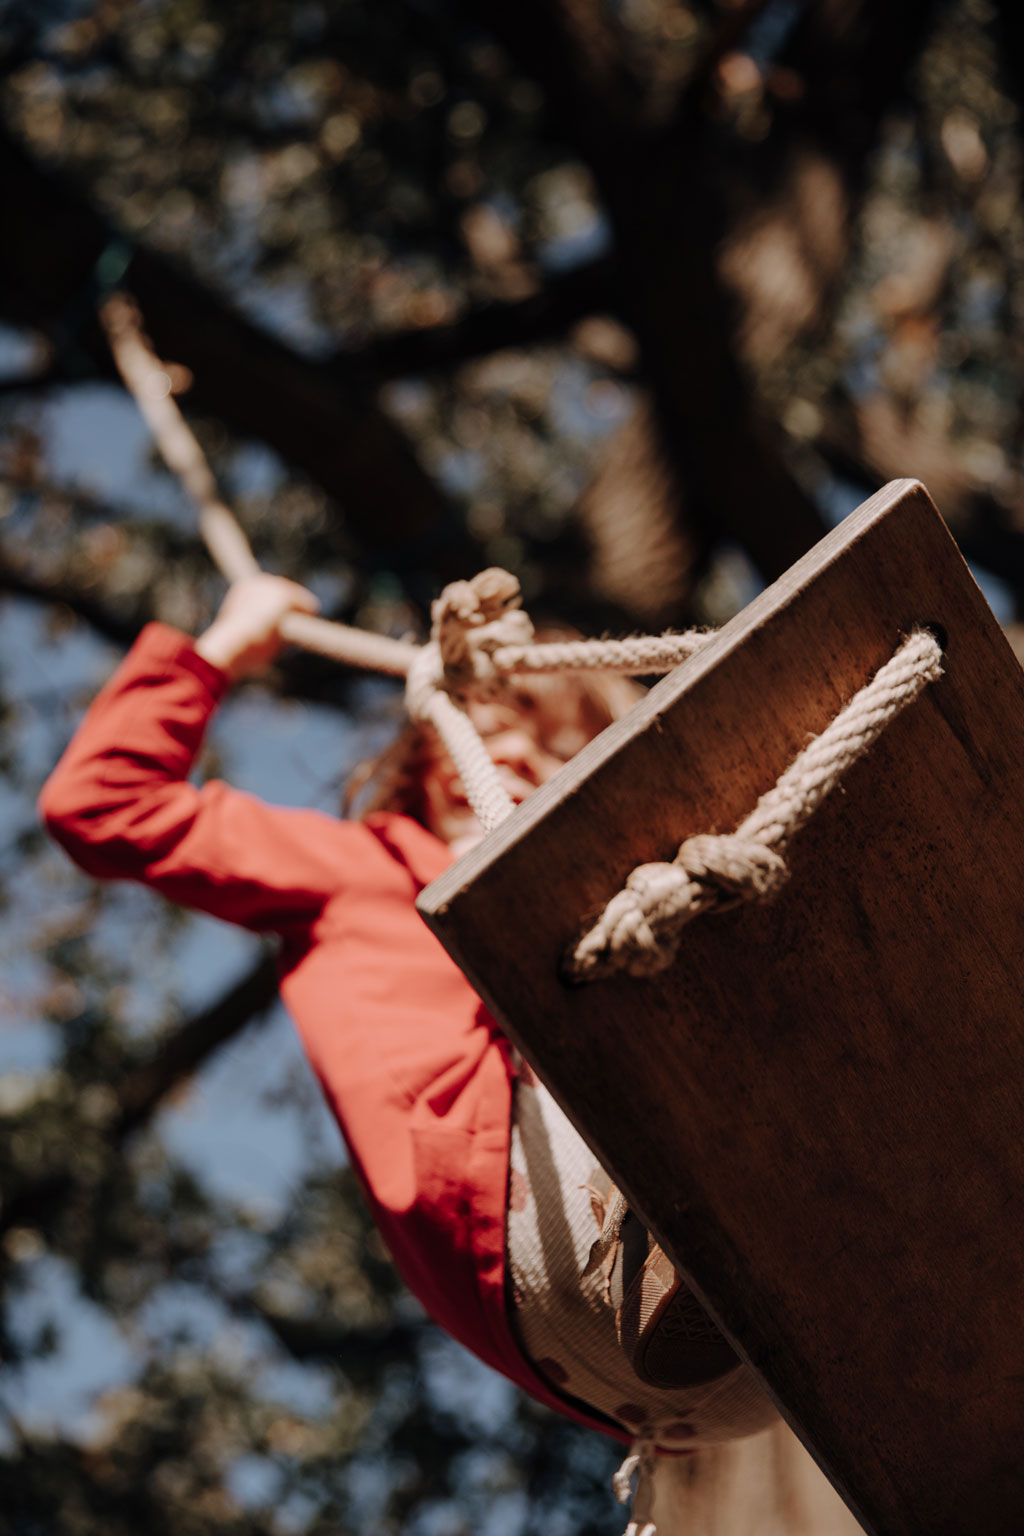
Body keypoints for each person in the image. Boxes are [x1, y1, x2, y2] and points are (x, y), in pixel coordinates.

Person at [39, 574, 860, 1534]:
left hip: (735, 1364)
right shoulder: (366, 867)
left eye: (548, 740)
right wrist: (223, 645)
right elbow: (100, 801)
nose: (510, 744)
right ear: (428, 774)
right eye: (482, 731)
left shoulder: (632, 883)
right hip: (538, 1232)